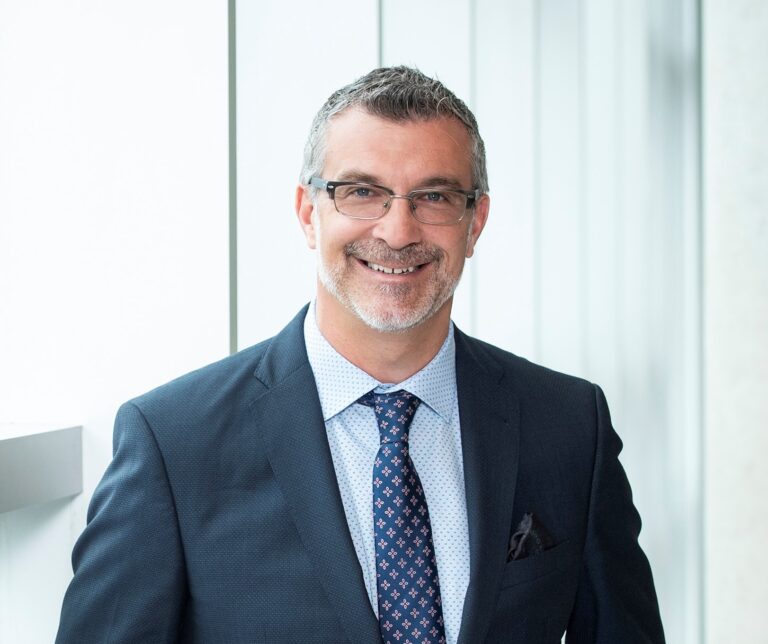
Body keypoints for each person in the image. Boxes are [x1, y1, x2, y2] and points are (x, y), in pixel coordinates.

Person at [56, 66, 665, 644]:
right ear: (308, 212)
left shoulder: (567, 425)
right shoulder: (173, 443)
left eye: (434, 197)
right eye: (362, 192)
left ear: (476, 221)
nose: (398, 231)